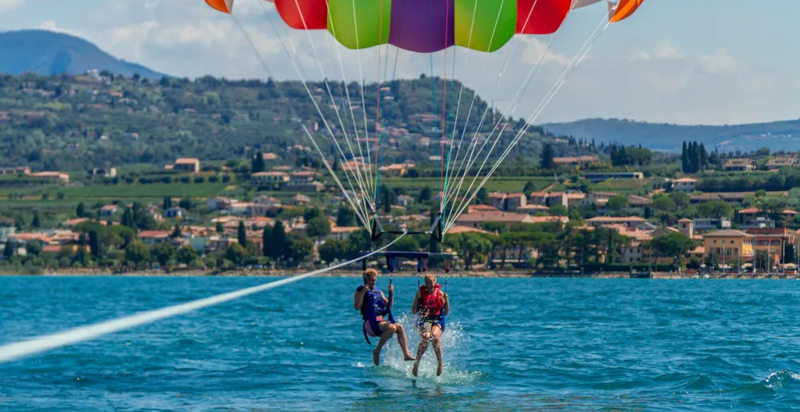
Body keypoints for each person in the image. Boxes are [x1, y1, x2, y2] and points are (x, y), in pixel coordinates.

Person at [354, 268, 415, 366]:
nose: (373, 282)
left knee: (399, 328)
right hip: (370, 323)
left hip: (379, 321)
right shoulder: (360, 290)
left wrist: (391, 293)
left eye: (375, 280)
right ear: (366, 280)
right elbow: (357, 307)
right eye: (371, 280)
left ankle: (406, 354)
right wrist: (363, 292)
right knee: (391, 327)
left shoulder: (378, 292)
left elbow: (389, 306)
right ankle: (377, 351)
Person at [411, 272, 449, 376]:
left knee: (435, 337)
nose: (429, 285)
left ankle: (440, 363)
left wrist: (447, 300)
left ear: (435, 283)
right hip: (424, 320)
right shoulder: (420, 292)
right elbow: (414, 311)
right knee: (426, 337)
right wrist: (416, 299)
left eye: (431, 283)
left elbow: (445, 313)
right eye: (427, 283)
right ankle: (416, 363)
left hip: (437, 320)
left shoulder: (440, 294)